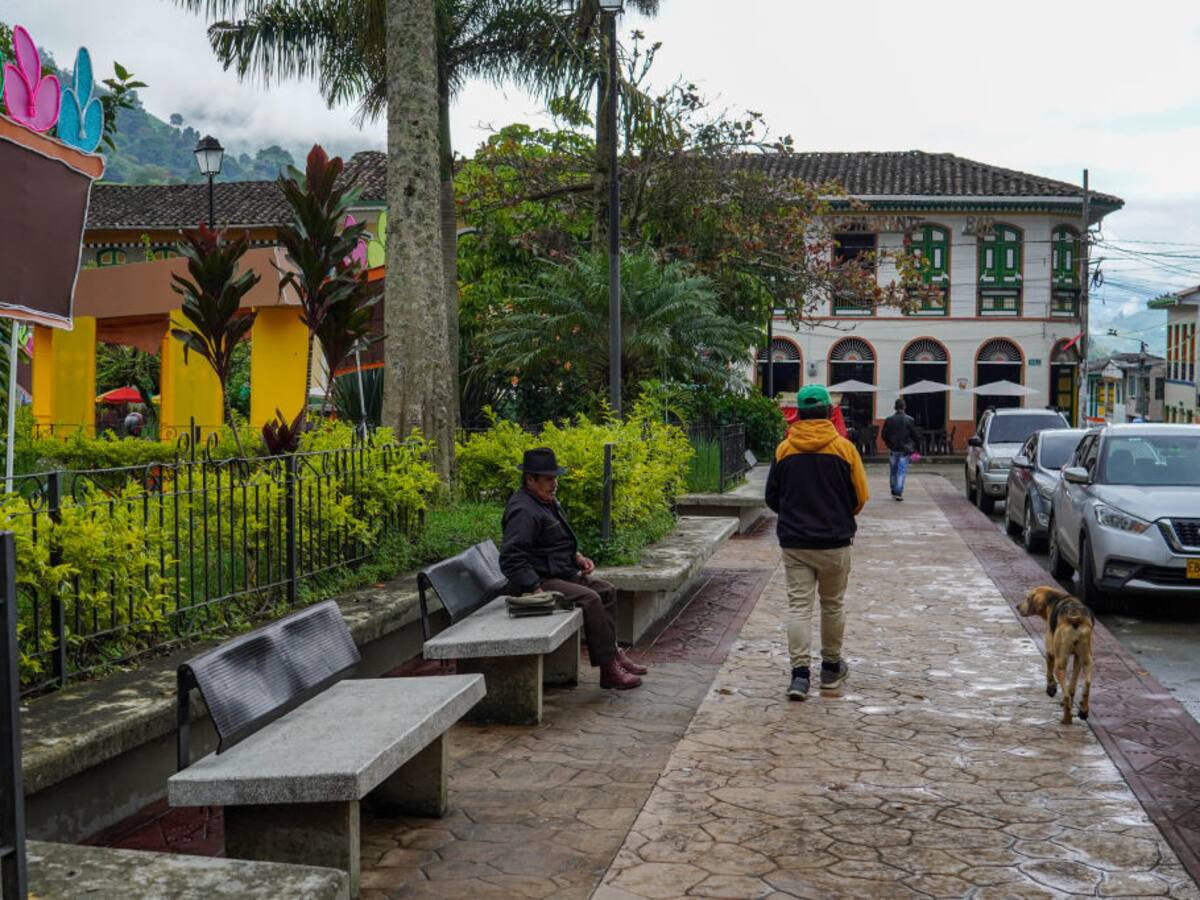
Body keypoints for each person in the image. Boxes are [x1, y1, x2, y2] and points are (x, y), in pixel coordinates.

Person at [499, 447, 647, 690]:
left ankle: (614, 653)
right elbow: (511, 558)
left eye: (555, 477)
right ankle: (608, 669)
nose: (554, 483)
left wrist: (578, 557)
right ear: (530, 479)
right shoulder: (523, 510)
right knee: (590, 599)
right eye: (548, 478)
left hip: (560, 571)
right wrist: (534, 588)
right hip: (537, 580)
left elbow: (554, 540)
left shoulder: (545, 501)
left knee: (607, 590)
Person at [765, 385, 869, 701]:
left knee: (799, 606)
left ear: (798, 413)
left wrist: (796, 515)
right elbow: (860, 497)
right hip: (835, 541)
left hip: (795, 542)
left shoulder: (784, 449)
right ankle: (830, 669)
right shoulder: (844, 449)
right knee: (832, 603)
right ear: (826, 412)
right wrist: (837, 515)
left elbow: (772, 498)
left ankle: (799, 677)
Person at [881, 398, 921, 501]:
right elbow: (915, 435)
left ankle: (894, 490)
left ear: (895, 407)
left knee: (893, 471)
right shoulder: (910, 420)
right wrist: (917, 447)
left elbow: (883, 435)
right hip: (905, 450)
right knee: (901, 471)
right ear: (904, 407)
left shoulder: (889, 420)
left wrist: (888, 444)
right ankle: (898, 491)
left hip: (893, 449)